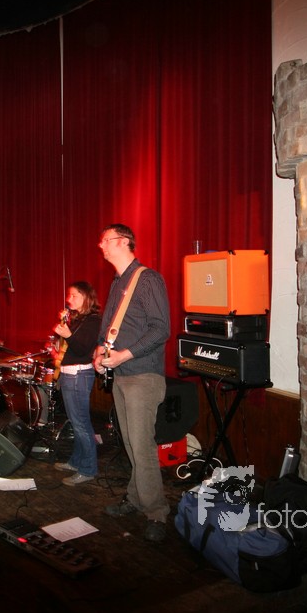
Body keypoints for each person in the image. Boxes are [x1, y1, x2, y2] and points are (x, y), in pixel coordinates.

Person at [92, 224, 172, 543]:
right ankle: (136, 498)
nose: (101, 246)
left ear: (124, 242)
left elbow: (160, 329)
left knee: (142, 447)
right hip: (122, 375)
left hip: (142, 375)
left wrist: (124, 355)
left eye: (106, 240)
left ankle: (157, 512)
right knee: (129, 443)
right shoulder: (118, 283)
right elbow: (109, 329)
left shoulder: (148, 279)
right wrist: (100, 352)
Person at [51, 281, 102, 486]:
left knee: (81, 424)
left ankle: (88, 469)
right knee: (76, 422)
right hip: (69, 374)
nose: (68, 299)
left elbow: (82, 349)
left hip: (79, 375)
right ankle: (76, 461)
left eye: (74, 296)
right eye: (69, 295)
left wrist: (68, 335)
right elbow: (70, 347)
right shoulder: (77, 319)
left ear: (86, 297)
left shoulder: (93, 320)